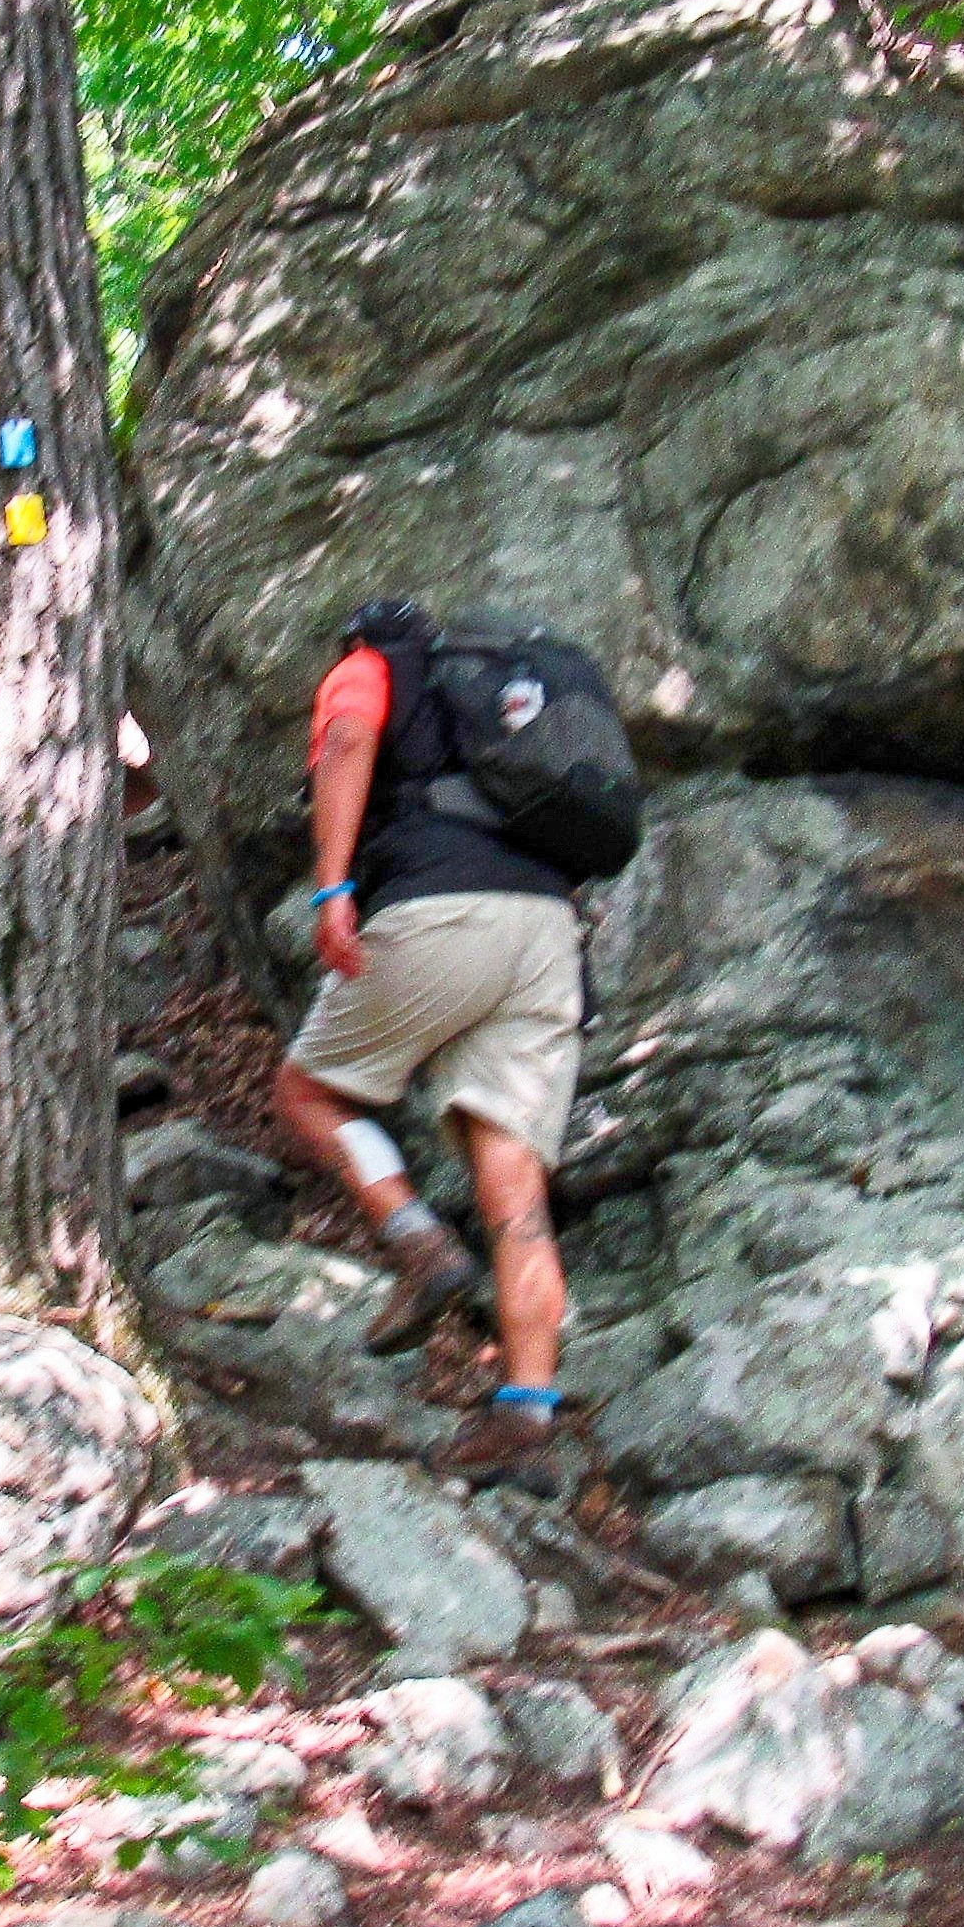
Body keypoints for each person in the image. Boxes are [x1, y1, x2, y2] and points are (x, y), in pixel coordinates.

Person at [266, 595, 596, 1476]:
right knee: (513, 1184)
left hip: (441, 908)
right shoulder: (488, 700)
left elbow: (344, 741)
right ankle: (526, 1417)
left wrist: (331, 887)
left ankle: (414, 1238)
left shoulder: (372, 664)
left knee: (305, 1092)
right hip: (546, 929)